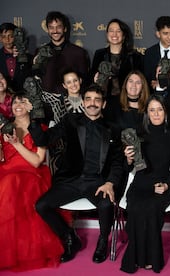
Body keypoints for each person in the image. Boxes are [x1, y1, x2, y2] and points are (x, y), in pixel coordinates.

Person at [29, 84, 124, 264]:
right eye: (88, 99)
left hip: (97, 182)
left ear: (103, 104)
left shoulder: (113, 129)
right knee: (41, 205)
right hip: (70, 180)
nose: (92, 103)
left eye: (97, 100)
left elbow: (118, 161)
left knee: (105, 205)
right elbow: (43, 139)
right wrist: (34, 121)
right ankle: (69, 237)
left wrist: (110, 182)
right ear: (82, 102)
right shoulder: (70, 120)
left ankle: (103, 242)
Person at [0, 91, 63, 271]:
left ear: (31, 106)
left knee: (9, 185)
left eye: (22, 101)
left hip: (30, 172)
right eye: (14, 102)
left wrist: (16, 144)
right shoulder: (5, 126)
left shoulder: (40, 129)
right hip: (6, 170)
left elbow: (37, 161)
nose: (17, 105)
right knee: (7, 183)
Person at [120, 95, 170, 273]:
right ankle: (140, 257)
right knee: (138, 208)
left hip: (163, 185)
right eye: (152, 110)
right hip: (140, 184)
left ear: (165, 112)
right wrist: (128, 158)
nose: (156, 114)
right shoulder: (138, 134)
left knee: (151, 208)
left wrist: (167, 186)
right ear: (147, 113)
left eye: (159, 109)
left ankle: (149, 258)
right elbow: (127, 167)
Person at [33, 11, 89, 94]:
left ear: (65, 28)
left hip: (70, 102)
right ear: (47, 30)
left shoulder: (79, 53)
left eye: (58, 27)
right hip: (46, 103)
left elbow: (84, 82)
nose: (55, 31)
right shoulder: (40, 52)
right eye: (51, 27)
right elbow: (36, 79)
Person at [91, 18, 143, 100]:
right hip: (104, 100)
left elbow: (141, 80)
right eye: (111, 31)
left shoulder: (134, 56)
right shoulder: (99, 54)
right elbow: (92, 77)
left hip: (127, 100)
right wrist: (95, 80)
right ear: (107, 34)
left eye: (118, 31)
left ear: (124, 35)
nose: (114, 34)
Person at [105, 70, 149, 134]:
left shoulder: (149, 106)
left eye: (138, 82)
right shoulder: (112, 103)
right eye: (131, 81)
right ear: (125, 84)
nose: (134, 85)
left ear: (143, 87)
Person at [0, 23, 32, 91]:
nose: (7, 40)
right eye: (3, 37)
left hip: (22, 97)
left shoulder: (27, 57)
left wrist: (21, 56)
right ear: (0, 39)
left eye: (10, 36)